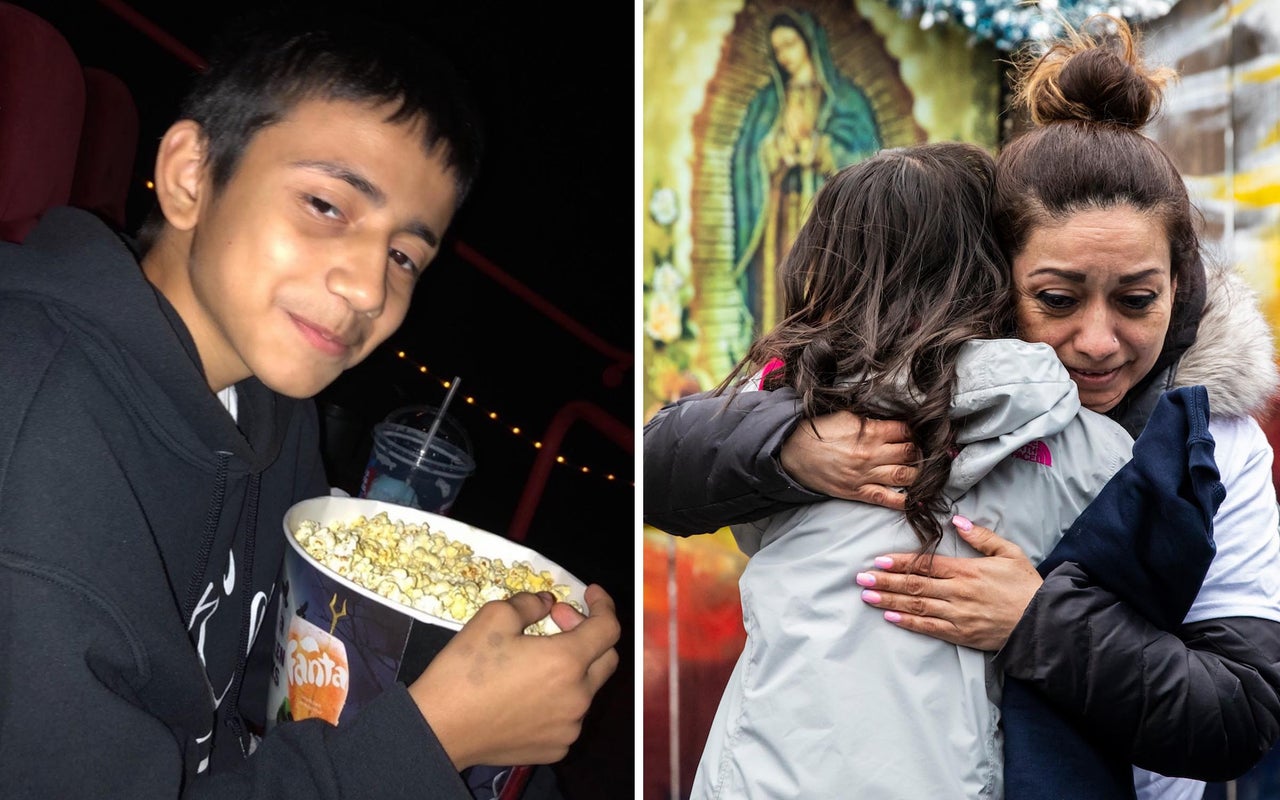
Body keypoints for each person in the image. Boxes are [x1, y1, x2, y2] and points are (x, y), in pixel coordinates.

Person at [645, 14, 1280, 800]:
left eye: (1137, 300)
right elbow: (662, 464)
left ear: (1178, 286)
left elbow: (1241, 712)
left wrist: (1038, 622)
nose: (1098, 340)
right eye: (1056, 298)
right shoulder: (909, 392)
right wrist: (792, 446)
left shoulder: (1212, 445)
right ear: (991, 278)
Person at [0, 5, 620, 799]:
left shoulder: (271, 406)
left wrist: (472, 676)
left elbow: (277, 652)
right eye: (326, 205)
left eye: (403, 254)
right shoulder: (36, 437)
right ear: (192, 175)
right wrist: (433, 741)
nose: (369, 287)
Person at [692, 139, 1170, 798]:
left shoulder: (779, 414)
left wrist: (787, 443)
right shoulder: (1088, 445)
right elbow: (1152, 615)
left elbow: (699, 482)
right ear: (994, 277)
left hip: (763, 777)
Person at [731, 9, 880, 331]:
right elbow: (747, 156)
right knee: (780, 279)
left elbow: (872, 163)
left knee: (823, 279)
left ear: (809, 42)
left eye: (790, 44)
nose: (784, 56)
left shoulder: (845, 100)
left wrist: (824, 150)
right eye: (778, 49)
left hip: (825, 216)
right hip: (780, 213)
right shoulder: (769, 102)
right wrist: (771, 151)